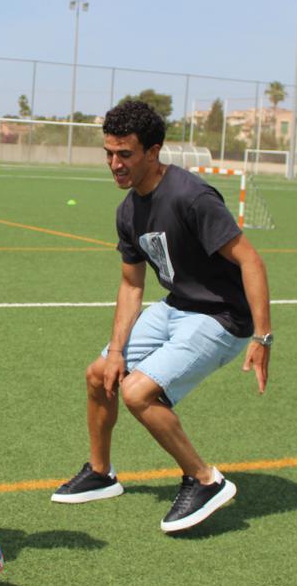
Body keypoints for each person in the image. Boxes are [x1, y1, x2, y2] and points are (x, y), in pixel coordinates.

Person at [50, 100, 273, 533]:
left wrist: (262, 338)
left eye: (125, 154)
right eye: (109, 154)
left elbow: (252, 261)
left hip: (221, 317)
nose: (115, 164)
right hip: (175, 307)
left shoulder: (192, 197)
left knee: (137, 393)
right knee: (100, 374)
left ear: (153, 152)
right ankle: (101, 473)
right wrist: (116, 351)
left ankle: (204, 479)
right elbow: (132, 285)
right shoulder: (128, 211)